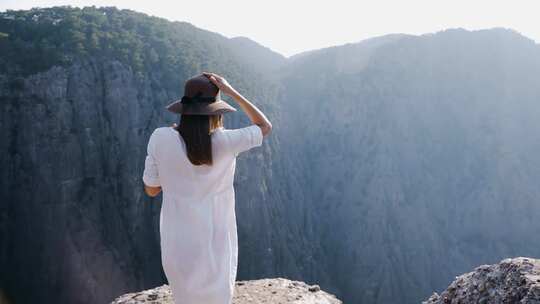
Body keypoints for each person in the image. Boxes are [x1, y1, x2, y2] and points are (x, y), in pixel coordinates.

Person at [142, 72, 272, 304]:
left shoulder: (160, 138)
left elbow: (151, 189)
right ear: (216, 111)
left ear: (183, 109)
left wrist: (174, 173)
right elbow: (264, 126)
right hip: (217, 242)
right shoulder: (227, 142)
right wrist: (232, 91)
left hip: (177, 242)